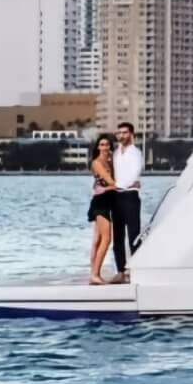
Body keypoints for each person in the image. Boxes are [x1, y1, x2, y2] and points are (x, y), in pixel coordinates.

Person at [109, 121, 144, 284]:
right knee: (117, 237)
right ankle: (121, 271)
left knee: (133, 235)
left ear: (131, 134)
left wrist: (119, 185)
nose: (121, 135)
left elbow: (134, 175)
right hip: (116, 197)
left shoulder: (135, 153)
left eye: (124, 132)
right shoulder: (116, 153)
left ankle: (137, 270)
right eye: (119, 133)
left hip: (130, 196)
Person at [85, 134, 116, 285]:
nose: (105, 147)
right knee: (106, 238)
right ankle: (95, 274)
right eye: (102, 144)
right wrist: (124, 184)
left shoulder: (110, 162)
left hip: (108, 201)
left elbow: (110, 184)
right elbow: (110, 181)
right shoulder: (96, 163)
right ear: (98, 147)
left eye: (107, 145)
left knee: (97, 240)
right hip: (100, 202)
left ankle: (93, 274)